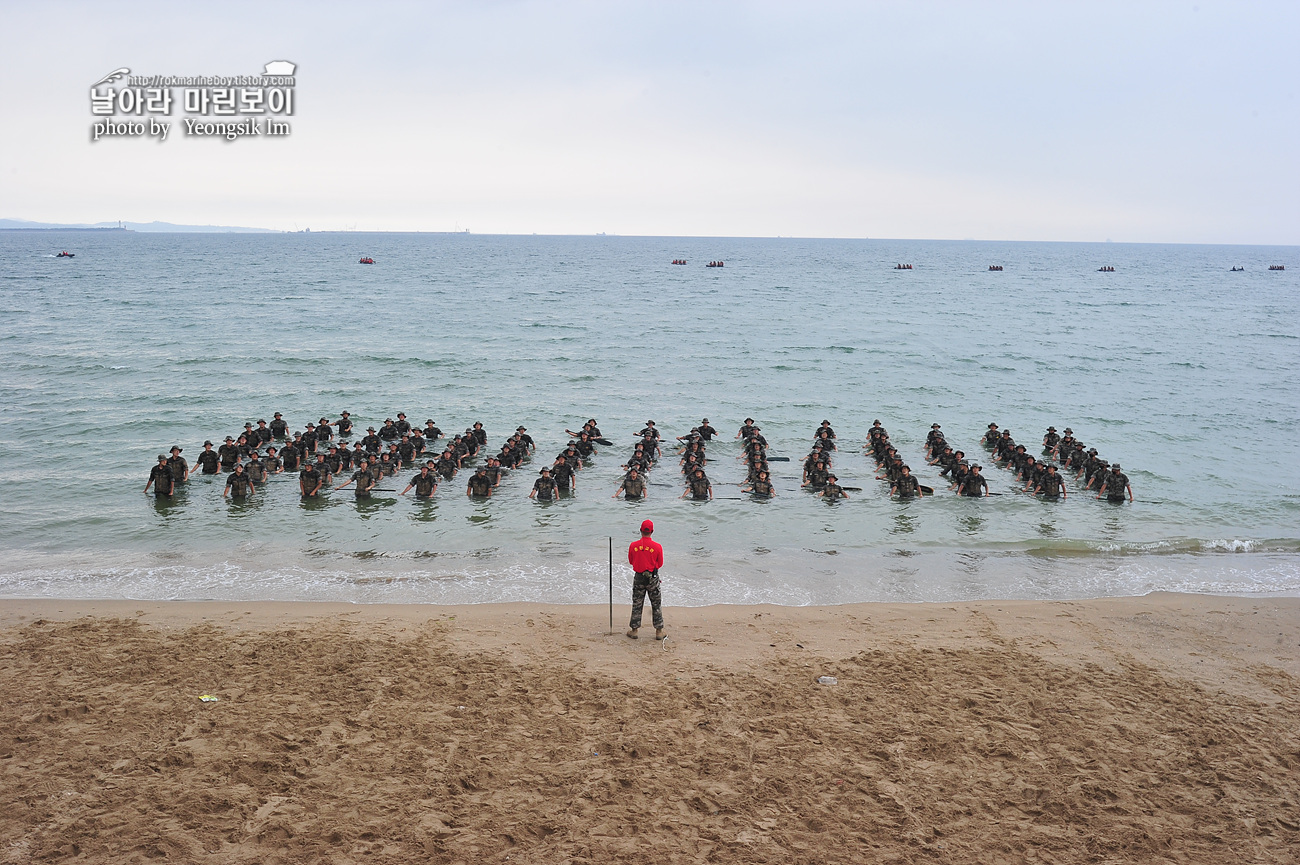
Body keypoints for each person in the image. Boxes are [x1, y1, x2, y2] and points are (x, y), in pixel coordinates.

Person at [626, 519, 665, 640]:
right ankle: (659, 631)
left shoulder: (633, 545)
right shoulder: (657, 547)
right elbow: (660, 563)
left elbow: (631, 561)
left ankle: (634, 630)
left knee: (637, 603)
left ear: (640, 530)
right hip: (652, 577)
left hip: (639, 577)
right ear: (652, 531)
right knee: (656, 604)